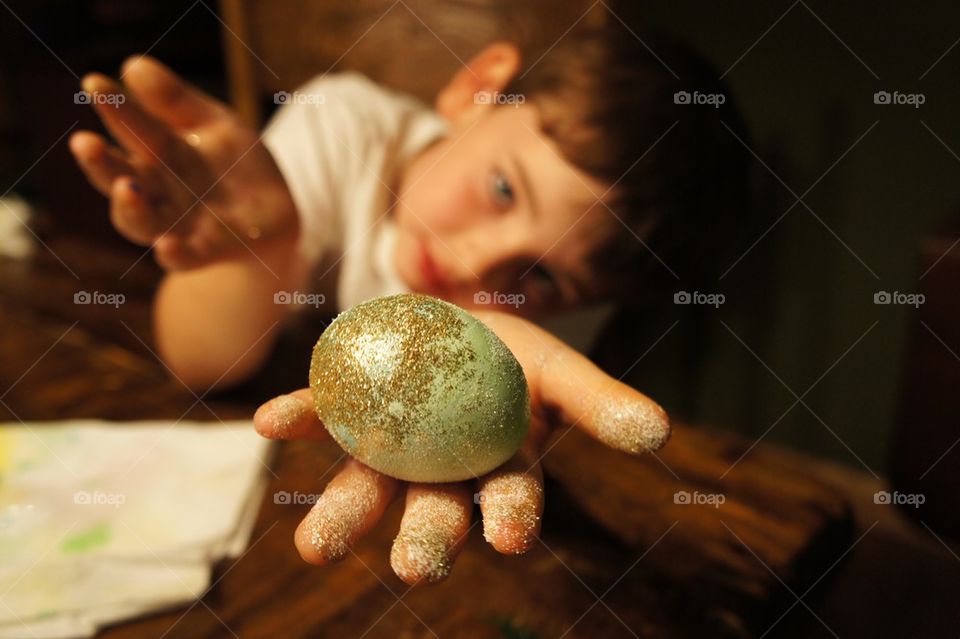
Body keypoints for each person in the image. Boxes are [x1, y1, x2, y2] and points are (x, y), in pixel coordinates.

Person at [69, 20, 747, 585]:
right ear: (478, 88)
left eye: (538, 278)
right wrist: (257, 250)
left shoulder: (560, 314)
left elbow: (518, 381)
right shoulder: (344, 132)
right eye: (504, 190)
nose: (479, 262)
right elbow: (201, 365)